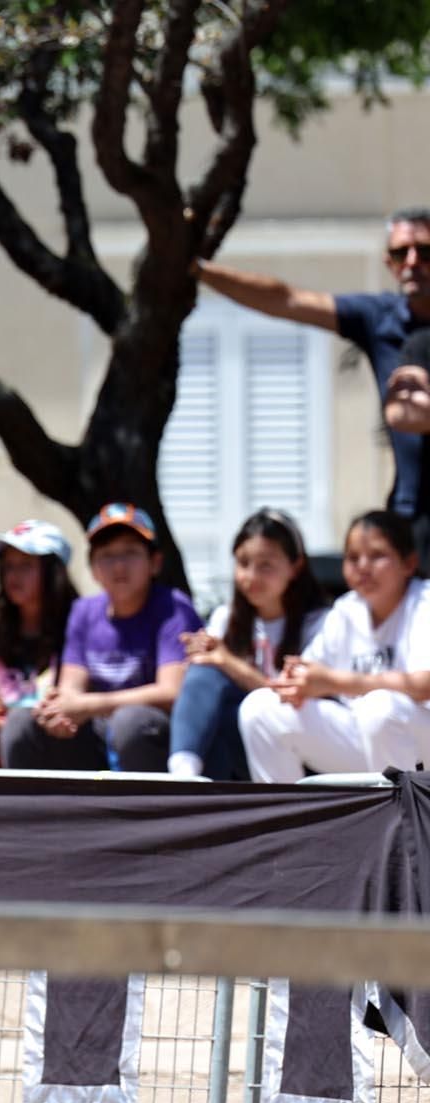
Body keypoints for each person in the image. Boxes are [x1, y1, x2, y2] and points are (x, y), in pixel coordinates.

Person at [197, 211, 430, 533]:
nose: (413, 262)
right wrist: (196, 270)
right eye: (400, 253)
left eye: (425, 251)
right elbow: (286, 299)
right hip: (412, 517)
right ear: (388, 263)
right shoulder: (380, 318)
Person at [1, 504, 202, 773]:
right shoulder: (84, 611)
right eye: (107, 555)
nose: (119, 565)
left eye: (130, 552)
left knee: (130, 721)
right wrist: (60, 715)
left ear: (155, 563)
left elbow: (171, 692)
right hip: (97, 732)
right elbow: (72, 687)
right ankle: (30, 814)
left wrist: (87, 705)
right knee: (21, 723)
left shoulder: (174, 608)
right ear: (94, 568)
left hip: (157, 736)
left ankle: (146, 812)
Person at [238, 511, 430, 782]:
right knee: (259, 708)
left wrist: (332, 681)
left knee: (380, 707)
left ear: (409, 563)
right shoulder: (346, 610)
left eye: (377, 556)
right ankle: (289, 821)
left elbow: (424, 684)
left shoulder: (424, 600)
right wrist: (298, 679)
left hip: (419, 740)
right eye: (353, 558)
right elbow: (309, 673)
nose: (363, 566)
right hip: (366, 737)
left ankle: (402, 821)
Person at [169, 510, 326, 780]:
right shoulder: (225, 617)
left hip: (297, 744)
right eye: (243, 563)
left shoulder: (321, 623)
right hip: (238, 741)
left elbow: (292, 698)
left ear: (295, 567)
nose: (251, 576)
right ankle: (184, 775)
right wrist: (199, 654)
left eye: (266, 565)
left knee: (217, 671)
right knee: (203, 670)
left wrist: (227, 661)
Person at [0, 521, 79, 742]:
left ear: (54, 572)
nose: (13, 576)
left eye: (25, 565)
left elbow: (69, 704)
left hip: (61, 735)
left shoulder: (77, 627)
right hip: (10, 731)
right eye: (8, 566)